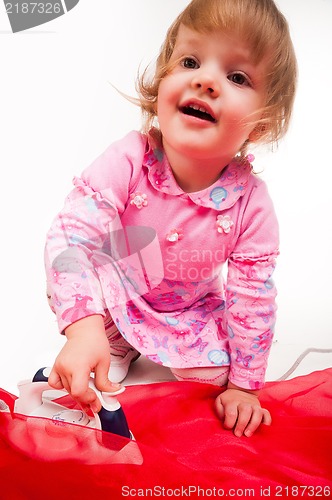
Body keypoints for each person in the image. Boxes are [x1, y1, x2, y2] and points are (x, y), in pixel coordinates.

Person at [45, 0, 297, 438]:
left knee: (214, 382)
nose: (205, 80)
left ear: (260, 123)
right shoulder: (129, 157)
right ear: (161, 81)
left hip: (190, 308)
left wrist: (244, 386)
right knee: (84, 281)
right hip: (117, 294)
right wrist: (83, 328)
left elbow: (251, 297)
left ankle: (162, 349)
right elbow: (72, 236)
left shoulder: (251, 203)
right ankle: (112, 337)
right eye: (190, 61)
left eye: (237, 77)